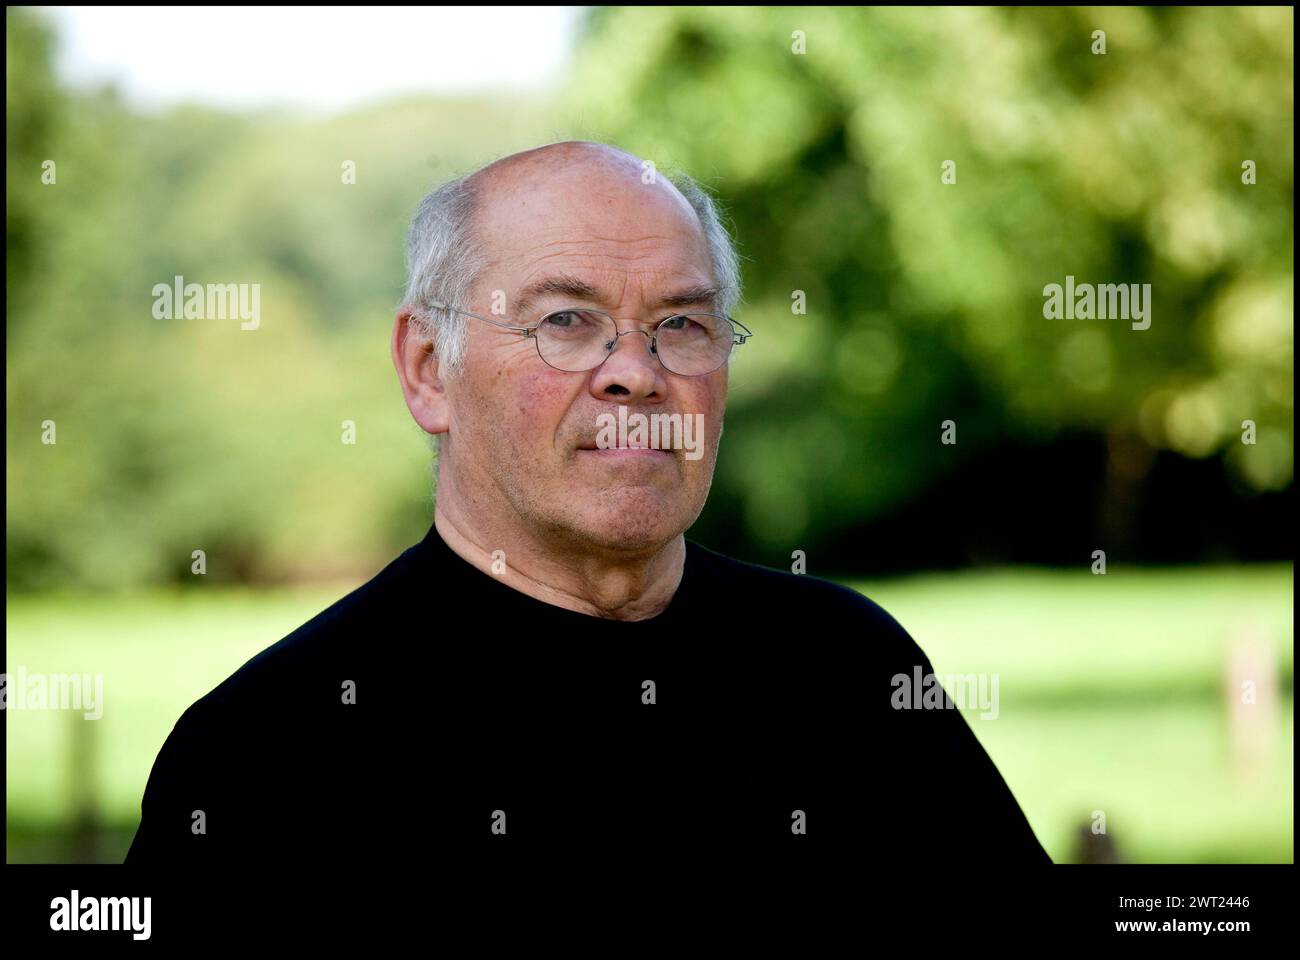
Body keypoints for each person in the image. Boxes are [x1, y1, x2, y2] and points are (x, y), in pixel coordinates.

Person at [125, 140, 1050, 868]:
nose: (636, 375)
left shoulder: (850, 671)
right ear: (426, 370)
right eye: (566, 321)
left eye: (682, 324)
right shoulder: (266, 756)